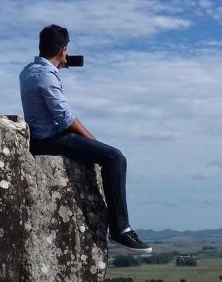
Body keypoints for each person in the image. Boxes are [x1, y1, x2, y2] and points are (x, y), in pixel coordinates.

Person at [19, 24, 152, 254]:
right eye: (65, 51)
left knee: (108, 155)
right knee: (115, 158)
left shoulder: (28, 71)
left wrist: (57, 67)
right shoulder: (46, 76)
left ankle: (121, 228)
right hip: (52, 138)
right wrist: (93, 141)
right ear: (63, 50)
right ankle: (121, 230)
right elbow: (64, 118)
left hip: (40, 136)